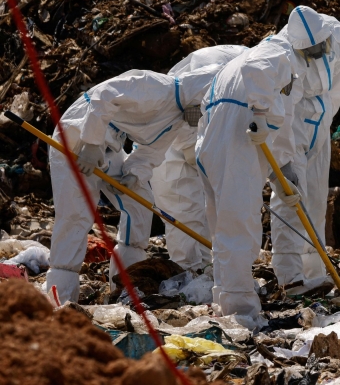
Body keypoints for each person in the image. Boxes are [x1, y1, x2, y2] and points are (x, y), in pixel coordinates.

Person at [46, 66, 222, 303]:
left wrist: (133, 175)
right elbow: (105, 95)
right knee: (76, 215)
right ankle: (60, 299)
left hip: (110, 145)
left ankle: (124, 287)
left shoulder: (176, 119)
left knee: (139, 206)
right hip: (77, 135)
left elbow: (150, 152)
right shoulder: (155, 86)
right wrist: (91, 142)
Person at [195, 38, 296, 327]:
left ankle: (225, 298)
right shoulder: (275, 51)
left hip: (213, 143)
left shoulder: (235, 70)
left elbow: (280, 122)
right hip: (235, 143)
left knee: (223, 226)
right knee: (238, 222)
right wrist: (261, 112)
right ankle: (240, 309)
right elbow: (260, 68)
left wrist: (281, 172)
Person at [272, 6, 340, 289]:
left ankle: (313, 269)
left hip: (322, 117)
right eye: (311, 51)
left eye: (321, 48)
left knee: (317, 195)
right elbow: (282, 107)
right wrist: (283, 157)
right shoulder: (281, 53)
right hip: (293, 122)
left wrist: (327, 117)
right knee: (292, 195)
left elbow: (339, 82)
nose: (318, 54)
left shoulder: (338, 34)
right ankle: (289, 274)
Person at [149, 44, 246, 271]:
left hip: (206, 142)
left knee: (213, 211)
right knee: (185, 213)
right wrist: (194, 152)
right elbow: (184, 119)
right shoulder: (200, 81)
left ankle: (210, 271)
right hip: (171, 145)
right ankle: (191, 274)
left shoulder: (248, 76)